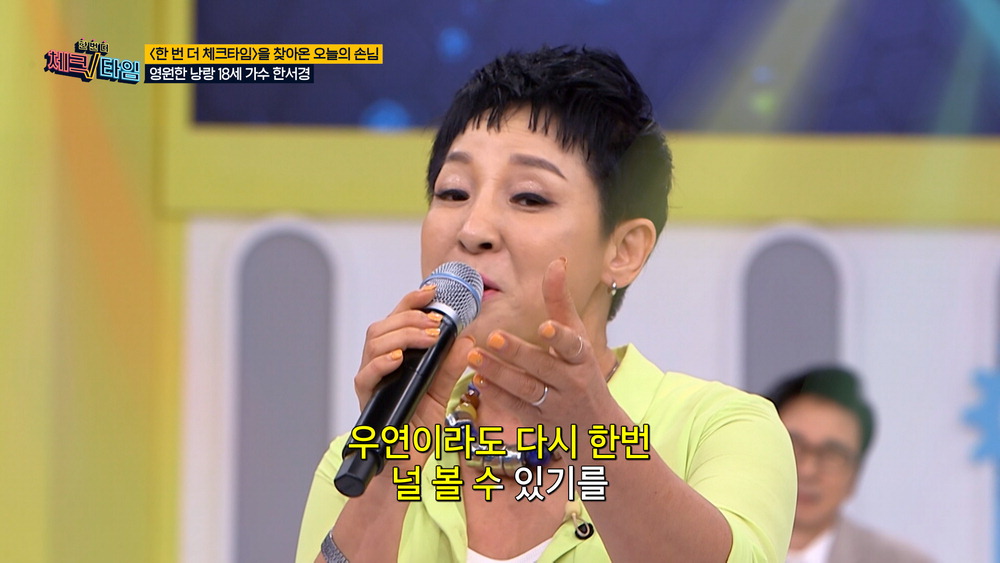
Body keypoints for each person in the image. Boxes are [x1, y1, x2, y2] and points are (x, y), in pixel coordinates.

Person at [297, 46, 796, 562]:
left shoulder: (720, 429)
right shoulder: (359, 457)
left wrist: (596, 433)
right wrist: (389, 470)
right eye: (453, 193)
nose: (473, 229)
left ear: (624, 251)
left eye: (529, 197)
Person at [765, 366, 934, 563]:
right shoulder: (731, 545)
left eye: (832, 455)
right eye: (794, 445)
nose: (808, 470)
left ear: (855, 475)